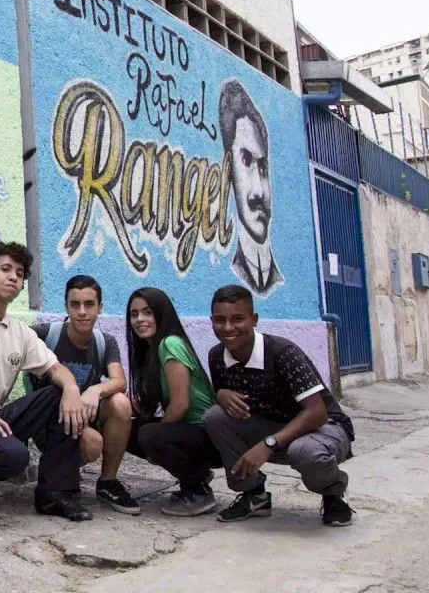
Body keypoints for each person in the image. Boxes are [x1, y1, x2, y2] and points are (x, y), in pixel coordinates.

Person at [0, 242, 91, 521]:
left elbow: (55, 368)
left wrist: (73, 388)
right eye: (5, 269)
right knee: (13, 454)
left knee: (57, 395)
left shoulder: (21, 332)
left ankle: (55, 495)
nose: (14, 276)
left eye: (19, 273)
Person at [203, 285, 356, 526]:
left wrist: (268, 444)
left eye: (238, 319)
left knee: (305, 452)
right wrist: (220, 394)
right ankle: (254, 495)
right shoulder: (216, 356)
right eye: (220, 320)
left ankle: (333, 492)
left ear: (254, 320)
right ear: (211, 321)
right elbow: (227, 404)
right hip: (273, 426)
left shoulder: (282, 353)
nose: (228, 328)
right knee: (214, 416)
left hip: (323, 429)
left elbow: (316, 413)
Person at [32, 276, 140, 515]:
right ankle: (59, 471)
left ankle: (108, 483)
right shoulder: (45, 334)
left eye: (89, 304)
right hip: (49, 424)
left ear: (99, 307)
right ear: (66, 306)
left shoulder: (104, 342)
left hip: (81, 418)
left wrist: (95, 389)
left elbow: (119, 381)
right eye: (75, 304)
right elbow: (7, 336)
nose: (82, 312)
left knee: (121, 404)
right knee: (92, 443)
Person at [125, 287, 221, 517]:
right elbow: (146, 404)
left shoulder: (170, 344)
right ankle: (197, 472)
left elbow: (180, 405)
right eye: (134, 314)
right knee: (125, 427)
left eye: (147, 312)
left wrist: (153, 448)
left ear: (162, 313)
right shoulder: (150, 351)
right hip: (191, 434)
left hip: (210, 436)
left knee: (149, 434)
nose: (139, 319)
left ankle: (196, 491)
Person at [220, 80, 283, 296]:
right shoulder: (233, 270)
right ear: (229, 169)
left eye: (263, 167)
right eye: (246, 160)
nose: (259, 191)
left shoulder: (277, 280)